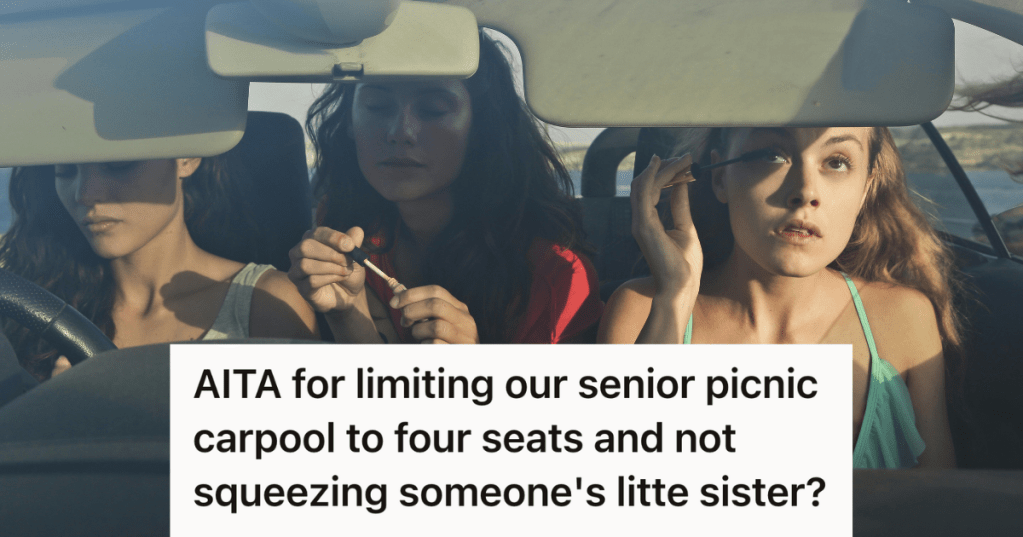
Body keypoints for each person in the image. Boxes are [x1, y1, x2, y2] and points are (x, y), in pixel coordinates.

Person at [598, 127, 960, 468]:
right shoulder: (643, 311)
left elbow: (941, 502)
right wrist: (673, 303)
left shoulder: (902, 319)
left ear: (866, 189)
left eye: (837, 162)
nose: (806, 191)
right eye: (772, 155)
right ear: (720, 177)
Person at [289, 30, 602, 344]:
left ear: (480, 128)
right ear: (349, 121)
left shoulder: (555, 278)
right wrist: (346, 313)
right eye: (377, 106)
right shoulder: (346, 224)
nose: (400, 132)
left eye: (433, 110)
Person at [0, 157, 318, 380]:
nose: (85, 194)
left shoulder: (264, 302)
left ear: (186, 157)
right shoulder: (33, 306)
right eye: (65, 171)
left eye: (119, 165)